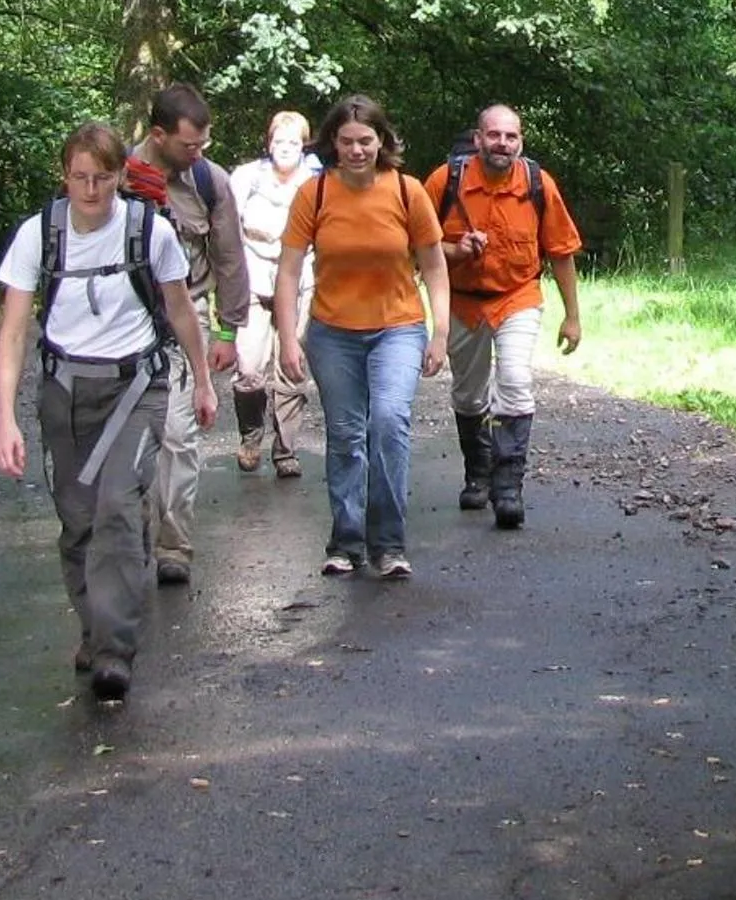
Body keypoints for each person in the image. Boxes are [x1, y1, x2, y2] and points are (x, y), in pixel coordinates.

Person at [0, 122, 214, 702]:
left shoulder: (150, 232)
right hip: (65, 390)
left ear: (120, 175)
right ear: (64, 175)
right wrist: (5, 418)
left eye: (102, 178)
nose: (90, 191)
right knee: (79, 520)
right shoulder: (38, 234)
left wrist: (204, 382)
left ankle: (115, 650)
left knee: (118, 507)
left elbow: (180, 310)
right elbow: (14, 331)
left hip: (137, 386)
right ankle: (94, 628)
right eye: (79, 178)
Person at [273, 93, 449, 580]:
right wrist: (289, 339)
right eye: (347, 141)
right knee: (347, 434)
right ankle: (346, 542)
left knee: (389, 424)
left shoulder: (407, 191)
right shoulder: (316, 194)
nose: (356, 150)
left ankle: (389, 543)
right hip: (333, 334)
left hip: (397, 328)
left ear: (381, 141)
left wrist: (440, 334)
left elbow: (434, 264)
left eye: (365, 141)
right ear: (332, 143)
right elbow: (288, 272)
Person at [426, 103, 583, 530]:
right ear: (478, 140)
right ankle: (477, 472)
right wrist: (456, 250)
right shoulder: (445, 182)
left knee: (514, 381)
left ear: (521, 141)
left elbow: (561, 252)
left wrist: (573, 317)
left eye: (511, 137)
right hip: (462, 302)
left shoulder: (537, 184)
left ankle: (508, 487)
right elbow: (415, 245)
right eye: (494, 135)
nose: (503, 144)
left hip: (518, 296)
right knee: (469, 393)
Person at [128, 82, 250, 587]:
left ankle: (173, 544)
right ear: (158, 135)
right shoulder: (116, 175)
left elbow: (229, 256)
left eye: (204, 144)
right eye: (189, 145)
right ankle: (129, 541)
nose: (198, 153)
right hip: (126, 324)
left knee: (178, 438)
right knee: (130, 441)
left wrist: (228, 330)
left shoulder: (209, 180)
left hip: (188, 320)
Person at [228, 110, 320, 477]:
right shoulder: (246, 177)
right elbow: (227, 231)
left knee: (292, 367)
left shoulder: (317, 182)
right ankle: (251, 434)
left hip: (301, 278)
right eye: (278, 142)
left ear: (304, 145)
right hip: (253, 276)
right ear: (268, 144)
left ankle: (286, 450)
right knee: (248, 369)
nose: (285, 149)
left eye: (293, 143)